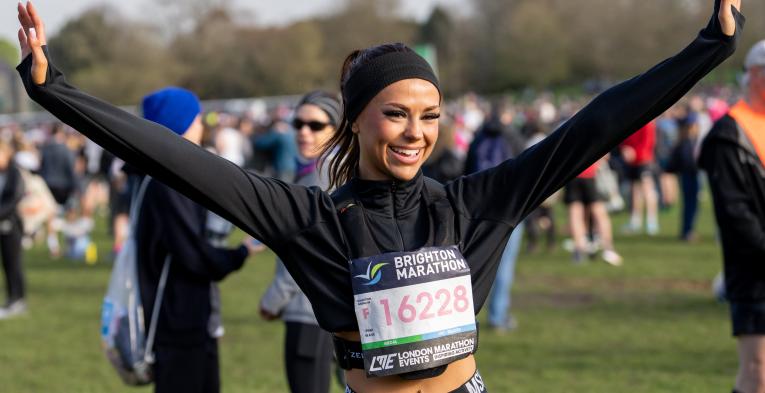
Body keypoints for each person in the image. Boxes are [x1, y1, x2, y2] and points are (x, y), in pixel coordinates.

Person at [16, 0, 743, 390]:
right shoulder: (309, 220)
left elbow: (595, 126)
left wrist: (708, 45)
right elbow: (177, 158)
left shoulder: (471, 207)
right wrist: (54, 90)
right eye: (396, 112)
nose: (413, 132)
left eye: (429, 115)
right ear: (355, 117)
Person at [136, 87, 256, 393]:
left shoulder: (167, 177)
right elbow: (193, 254)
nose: (202, 125)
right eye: (196, 118)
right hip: (179, 322)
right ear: (179, 124)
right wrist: (239, 254)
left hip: (187, 318)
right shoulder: (167, 183)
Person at [259, 90, 342, 393]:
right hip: (336, 310)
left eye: (316, 125)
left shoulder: (318, 179)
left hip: (310, 312)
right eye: (298, 124)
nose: (304, 132)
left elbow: (303, 251)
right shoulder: (325, 172)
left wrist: (272, 301)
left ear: (337, 130)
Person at [699, 39, 765, 393]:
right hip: (754, 272)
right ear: (755, 75)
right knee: (757, 375)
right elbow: (735, 214)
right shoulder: (729, 133)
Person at [565, 158, 623, 265]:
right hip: (590, 174)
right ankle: (608, 249)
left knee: (575, 212)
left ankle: (579, 250)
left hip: (572, 174)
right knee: (599, 212)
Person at [0, 141, 27, 319]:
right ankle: (11, 299)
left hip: (11, 225)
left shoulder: (14, 173)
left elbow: (14, 198)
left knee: (13, 263)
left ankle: (18, 299)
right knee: (6, 263)